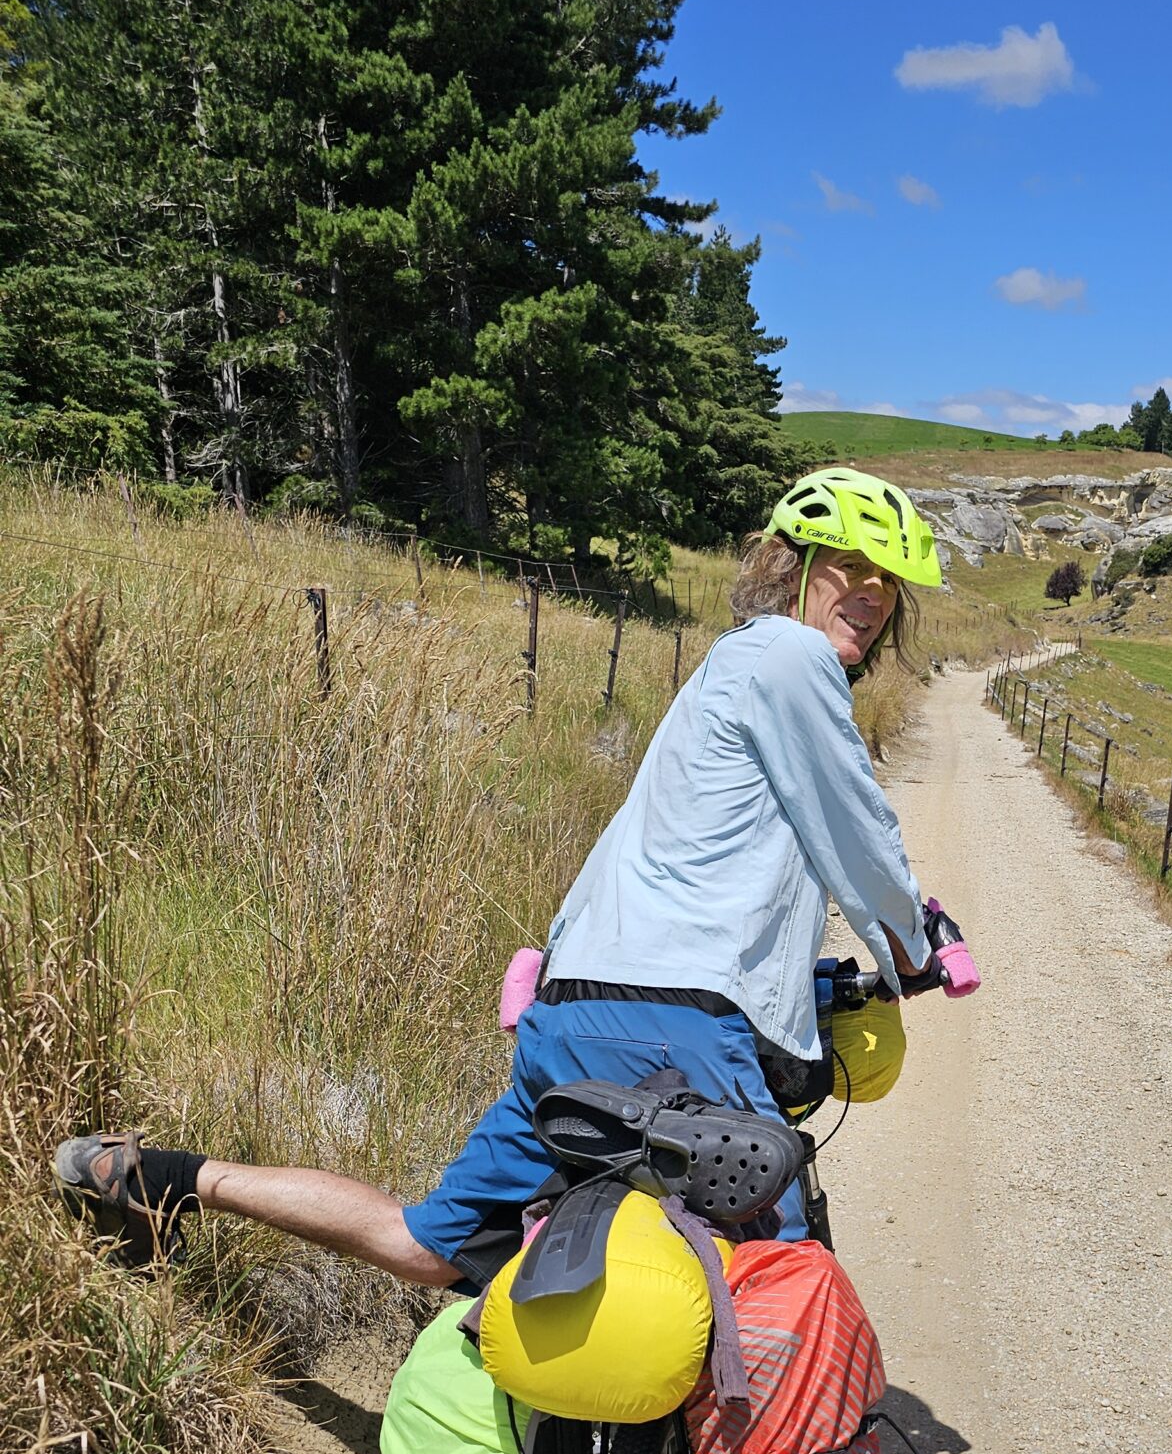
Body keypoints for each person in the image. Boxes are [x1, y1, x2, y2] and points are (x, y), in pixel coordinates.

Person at [55, 466, 947, 1288]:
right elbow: (862, 840)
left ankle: (159, 1175)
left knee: (424, 1249)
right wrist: (912, 950)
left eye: (887, 584)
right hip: (688, 1029)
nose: (869, 596)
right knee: (778, 1291)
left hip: (570, 1017)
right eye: (847, 568)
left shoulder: (721, 676)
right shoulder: (789, 657)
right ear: (790, 568)